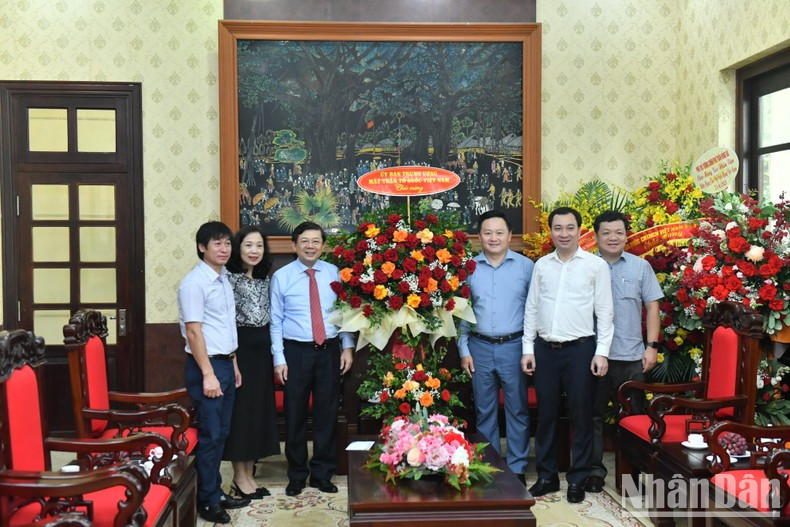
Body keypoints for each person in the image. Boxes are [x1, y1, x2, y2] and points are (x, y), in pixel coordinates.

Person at [521, 206, 614, 504]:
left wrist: (602, 353)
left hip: (581, 350)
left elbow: (605, 312)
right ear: (550, 231)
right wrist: (527, 348)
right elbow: (532, 308)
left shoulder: (595, 266)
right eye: (558, 228)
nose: (564, 233)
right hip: (545, 351)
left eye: (570, 227)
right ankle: (547, 477)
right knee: (546, 416)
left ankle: (577, 478)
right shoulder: (542, 265)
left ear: (579, 230)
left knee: (582, 416)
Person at [270, 221, 355, 497]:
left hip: (329, 350)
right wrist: (279, 359)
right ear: (294, 245)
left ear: (323, 245)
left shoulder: (334, 273)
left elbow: (345, 314)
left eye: (316, 241)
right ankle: (296, 475)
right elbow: (275, 321)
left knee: (327, 413)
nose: (310, 246)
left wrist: (347, 347)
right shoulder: (282, 276)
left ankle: (322, 473)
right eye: (304, 241)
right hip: (296, 352)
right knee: (294, 415)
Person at [584, 210, 663, 493]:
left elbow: (653, 307)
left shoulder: (640, 267)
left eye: (618, 232)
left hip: (631, 356)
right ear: (595, 237)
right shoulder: (586, 266)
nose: (612, 237)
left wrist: (651, 347)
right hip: (594, 357)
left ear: (627, 235)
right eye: (606, 233)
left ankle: (633, 475)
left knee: (634, 417)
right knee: (592, 415)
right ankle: (594, 472)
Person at [178, 221, 250, 524]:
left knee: (221, 434)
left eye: (227, 244)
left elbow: (223, 327)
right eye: (217, 244)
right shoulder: (194, 283)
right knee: (209, 436)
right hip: (205, 366)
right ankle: (207, 501)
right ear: (202, 247)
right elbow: (194, 333)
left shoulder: (222, 279)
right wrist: (208, 374)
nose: (224, 249)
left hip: (223, 363)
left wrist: (232, 364)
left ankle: (214, 490)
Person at [458, 210, 533, 485]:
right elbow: (462, 312)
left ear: (510, 236)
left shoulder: (527, 267)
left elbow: (533, 310)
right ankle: (488, 465)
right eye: (487, 233)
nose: (494, 238)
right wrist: (463, 349)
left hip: (514, 346)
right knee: (484, 410)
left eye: (499, 232)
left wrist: (529, 349)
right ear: (479, 237)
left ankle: (517, 468)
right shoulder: (469, 267)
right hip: (479, 347)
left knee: (517, 409)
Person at [222, 225, 281, 499]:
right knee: (241, 415)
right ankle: (239, 478)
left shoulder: (264, 280)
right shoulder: (228, 279)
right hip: (240, 353)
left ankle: (248, 477)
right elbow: (225, 324)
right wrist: (232, 359)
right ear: (238, 248)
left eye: (259, 246)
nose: (254, 251)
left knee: (256, 413)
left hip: (261, 356)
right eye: (248, 245)